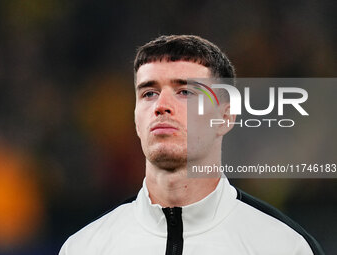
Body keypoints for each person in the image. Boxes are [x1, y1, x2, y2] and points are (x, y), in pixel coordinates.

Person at [59, 35, 324, 254]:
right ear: (136, 117)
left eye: (185, 92)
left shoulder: (285, 246)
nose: (161, 106)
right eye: (149, 93)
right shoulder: (84, 247)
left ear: (225, 117)